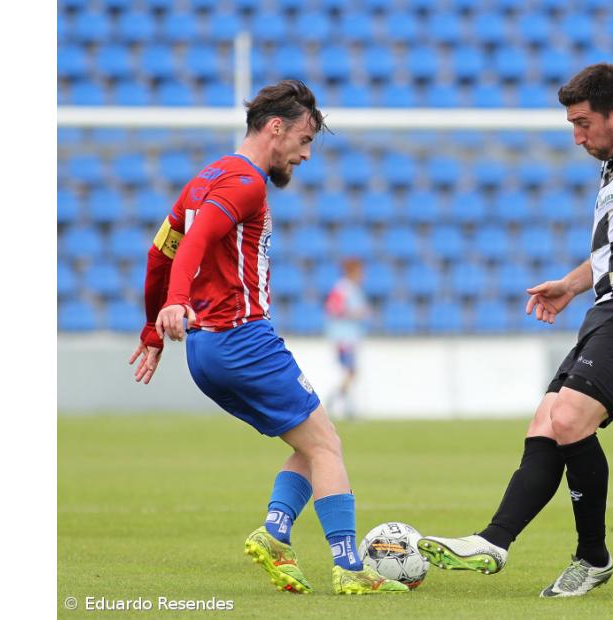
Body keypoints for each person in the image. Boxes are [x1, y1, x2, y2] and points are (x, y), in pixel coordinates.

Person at [417, 64, 613, 597]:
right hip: (609, 307)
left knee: (569, 416)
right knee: (546, 423)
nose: (578, 136)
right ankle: (494, 540)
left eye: (583, 123)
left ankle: (592, 558)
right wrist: (572, 284)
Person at [127, 79, 407, 596]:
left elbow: (159, 253)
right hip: (242, 338)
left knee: (309, 441)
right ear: (275, 127)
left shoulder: (203, 179)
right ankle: (349, 570)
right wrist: (173, 302)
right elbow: (196, 244)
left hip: (205, 351)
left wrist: (153, 326)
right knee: (327, 446)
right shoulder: (245, 182)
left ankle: (277, 534)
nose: (305, 154)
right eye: (303, 140)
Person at [323, 258, 369, 419]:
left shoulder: (352, 289)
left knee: (350, 372)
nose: (363, 275)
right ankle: (336, 399)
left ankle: (346, 405)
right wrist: (355, 313)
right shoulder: (342, 288)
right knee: (351, 371)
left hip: (351, 337)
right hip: (343, 337)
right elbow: (333, 309)